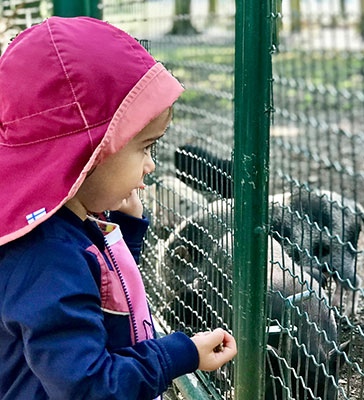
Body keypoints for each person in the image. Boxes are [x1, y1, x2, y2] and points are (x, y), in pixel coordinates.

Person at [0, 17, 237, 399]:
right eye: (145, 147)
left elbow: (97, 295)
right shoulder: (45, 257)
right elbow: (91, 387)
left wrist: (124, 232)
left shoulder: (61, 225)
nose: (151, 165)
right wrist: (179, 355)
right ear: (89, 153)